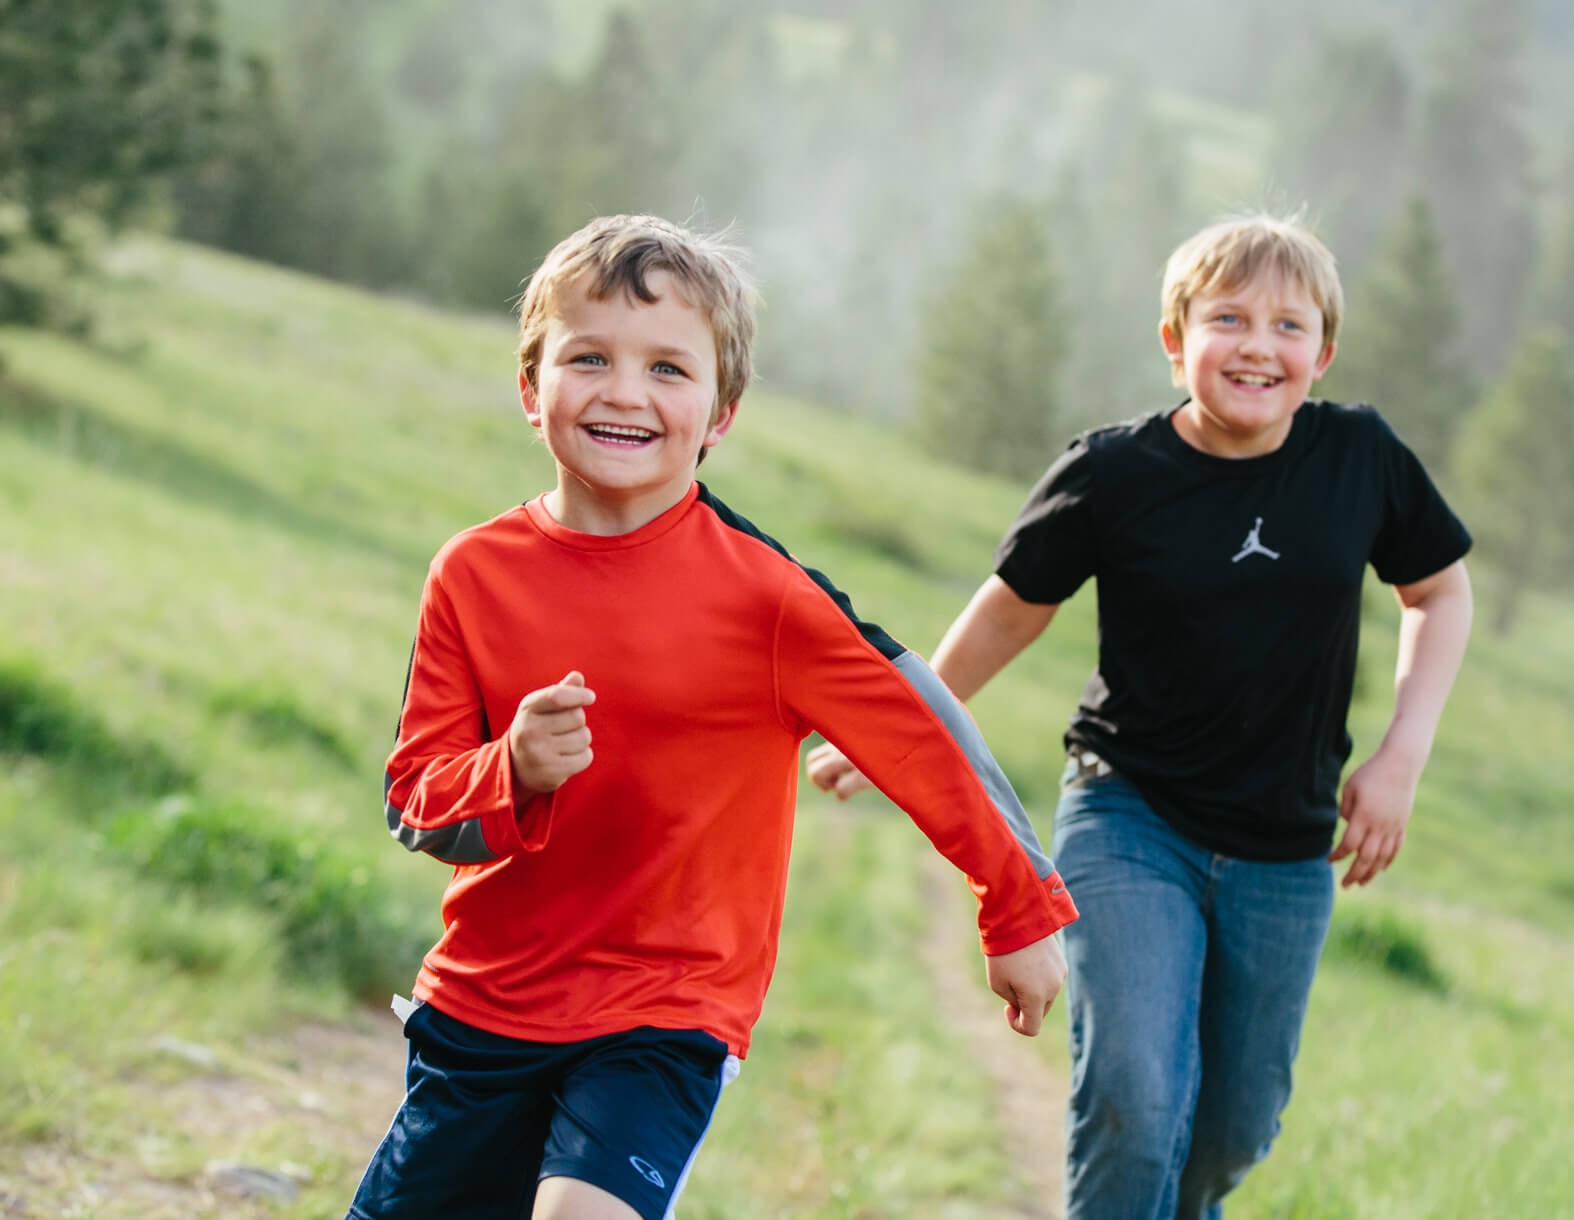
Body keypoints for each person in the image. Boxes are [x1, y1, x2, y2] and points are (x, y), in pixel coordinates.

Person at [346, 214, 1076, 1220]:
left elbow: (915, 732)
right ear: (531, 387)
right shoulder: (473, 574)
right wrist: (510, 769)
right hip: (486, 1001)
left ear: (720, 413)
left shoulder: (766, 598)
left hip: (668, 1005)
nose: (626, 392)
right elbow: (413, 802)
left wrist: (1016, 903)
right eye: (589, 356)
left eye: (669, 369)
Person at [808, 212, 1474, 1219]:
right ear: (1175, 342)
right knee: (1136, 1094)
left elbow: (1439, 591)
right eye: (1229, 318)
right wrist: (901, 725)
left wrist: (1401, 756)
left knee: (1235, 1126)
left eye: (1289, 326)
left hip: (1285, 850)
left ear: (1323, 353)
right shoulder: (1115, 473)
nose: (1259, 344)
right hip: (1131, 816)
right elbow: (1007, 617)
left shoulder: (1360, 458)